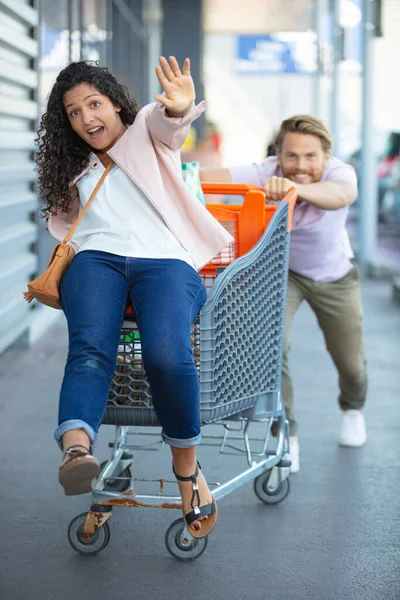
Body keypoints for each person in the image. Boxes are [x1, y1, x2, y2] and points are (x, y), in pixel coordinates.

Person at [35, 56, 233, 538]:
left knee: (167, 355)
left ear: (118, 105)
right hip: (95, 260)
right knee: (89, 351)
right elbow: (68, 221)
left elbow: (170, 123)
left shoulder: (145, 128)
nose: (86, 119)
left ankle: (186, 470)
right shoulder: (71, 161)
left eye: (94, 104)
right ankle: (78, 451)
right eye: (73, 112)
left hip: (165, 260)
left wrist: (181, 106)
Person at [200, 115, 368, 473]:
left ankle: (352, 407)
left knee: (352, 365)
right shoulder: (268, 170)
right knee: (274, 349)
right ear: (279, 154)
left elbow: (341, 196)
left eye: (310, 157)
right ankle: (286, 432)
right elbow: (206, 177)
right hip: (283, 274)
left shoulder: (340, 173)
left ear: (326, 157)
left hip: (334, 276)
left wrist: (294, 191)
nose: (300, 165)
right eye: (291, 156)